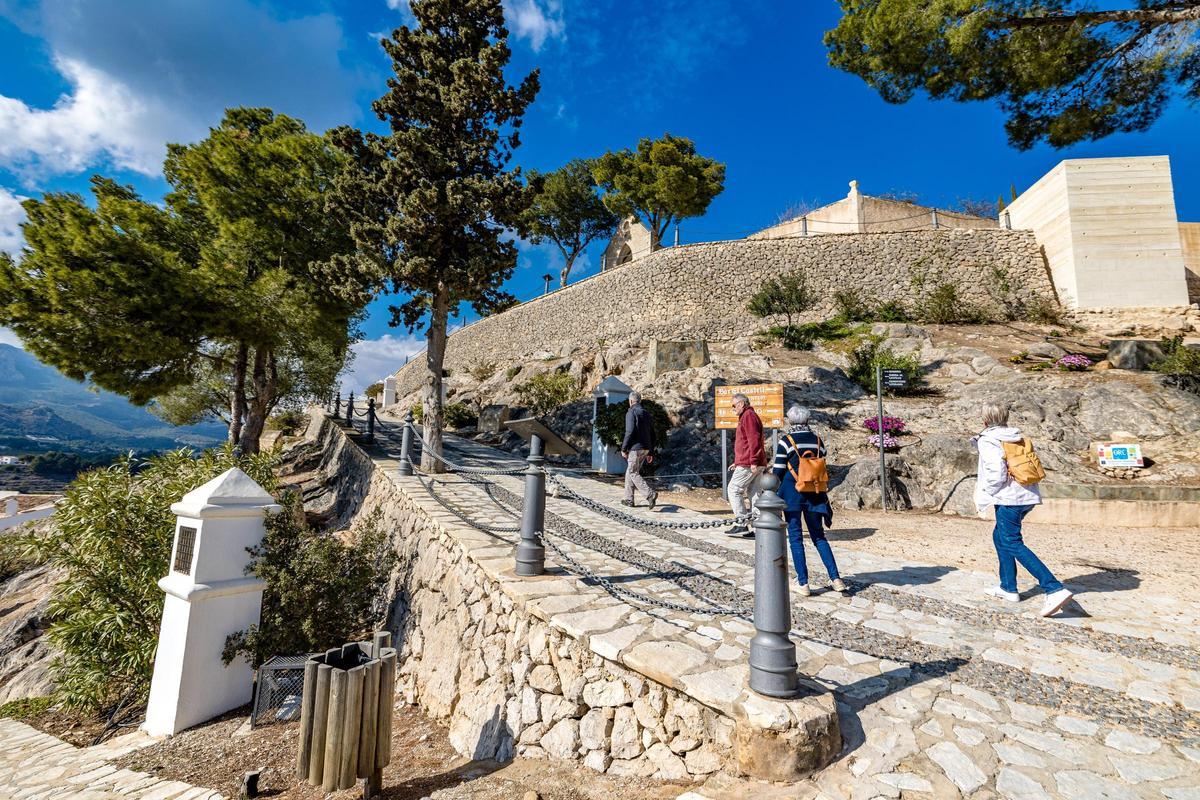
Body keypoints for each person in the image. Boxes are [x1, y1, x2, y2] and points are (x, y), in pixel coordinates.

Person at [973, 401, 1073, 617]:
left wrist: (988, 492)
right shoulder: (1016, 436)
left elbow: (996, 471)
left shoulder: (988, 440)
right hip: (1027, 495)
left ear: (986, 419)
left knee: (1011, 541)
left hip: (1009, 498)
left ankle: (1053, 588)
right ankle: (1008, 587)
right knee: (1000, 537)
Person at [772, 405, 846, 594]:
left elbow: (778, 469)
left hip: (792, 494)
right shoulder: (817, 441)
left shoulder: (786, 441)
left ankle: (803, 582)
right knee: (819, 536)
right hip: (815, 492)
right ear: (807, 420)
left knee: (795, 538)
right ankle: (836, 578)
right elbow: (822, 461)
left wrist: (770, 489)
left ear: (790, 421)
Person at [725, 392, 766, 537]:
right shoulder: (749, 416)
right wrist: (737, 462)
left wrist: (753, 461)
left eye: (734, 405)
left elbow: (753, 440)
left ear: (741, 403)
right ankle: (758, 528)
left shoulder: (748, 416)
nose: (733, 408)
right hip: (752, 461)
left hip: (750, 463)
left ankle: (741, 523)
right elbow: (746, 443)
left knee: (733, 489)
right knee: (754, 493)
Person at [620, 391, 657, 509]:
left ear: (631, 401)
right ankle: (629, 499)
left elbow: (629, 431)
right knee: (630, 472)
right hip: (645, 449)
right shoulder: (646, 413)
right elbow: (652, 434)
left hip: (635, 449)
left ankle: (650, 494)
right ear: (639, 401)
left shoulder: (631, 412)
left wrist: (624, 448)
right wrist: (650, 452)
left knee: (633, 472)